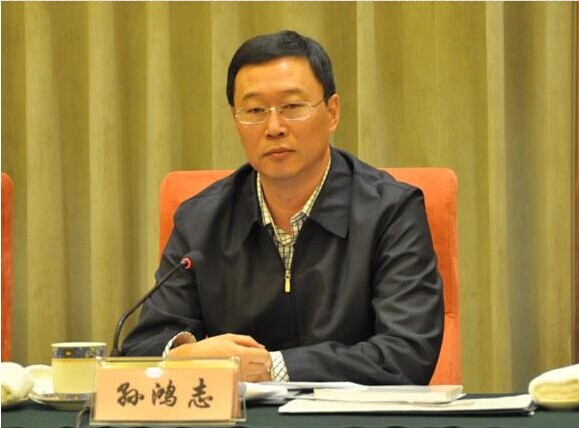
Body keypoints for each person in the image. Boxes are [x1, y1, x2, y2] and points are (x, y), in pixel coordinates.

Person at [122, 30, 444, 385]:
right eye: (254, 111)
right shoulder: (201, 221)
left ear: (332, 112)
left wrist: (270, 367)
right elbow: (140, 350)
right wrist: (182, 356)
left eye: (292, 107)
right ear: (235, 120)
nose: (274, 127)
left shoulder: (391, 212)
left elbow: (407, 353)